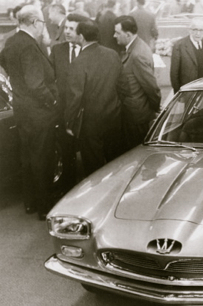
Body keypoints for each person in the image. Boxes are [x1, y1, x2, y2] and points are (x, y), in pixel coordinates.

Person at [0, 5, 59, 220]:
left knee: (27, 158)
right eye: (42, 23)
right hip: (39, 113)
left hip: (22, 111)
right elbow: (36, 84)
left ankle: (30, 203)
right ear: (35, 22)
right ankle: (44, 207)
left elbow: (4, 63)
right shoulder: (29, 46)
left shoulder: (12, 42)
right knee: (42, 159)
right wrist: (52, 101)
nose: (43, 27)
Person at [65, 20, 125, 176]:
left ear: (82, 37)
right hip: (114, 118)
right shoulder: (113, 54)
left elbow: (75, 97)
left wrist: (69, 122)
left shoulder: (79, 62)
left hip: (90, 123)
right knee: (115, 165)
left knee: (94, 169)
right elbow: (123, 86)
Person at [50, 13, 89, 193]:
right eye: (65, 27)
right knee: (67, 152)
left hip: (86, 110)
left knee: (88, 153)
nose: (67, 32)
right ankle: (68, 189)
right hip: (65, 111)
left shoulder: (89, 50)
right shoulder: (57, 51)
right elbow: (50, 79)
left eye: (71, 29)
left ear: (81, 31)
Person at [114, 15, 161, 149]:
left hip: (136, 116)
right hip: (137, 114)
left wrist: (153, 110)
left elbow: (152, 88)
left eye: (117, 32)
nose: (114, 35)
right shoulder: (135, 47)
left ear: (128, 34)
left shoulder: (137, 54)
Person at [170, 17, 203, 93]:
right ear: (189, 30)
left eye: (201, 30)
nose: (198, 33)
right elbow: (174, 73)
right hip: (189, 90)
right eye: (195, 29)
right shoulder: (179, 45)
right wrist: (178, 93)